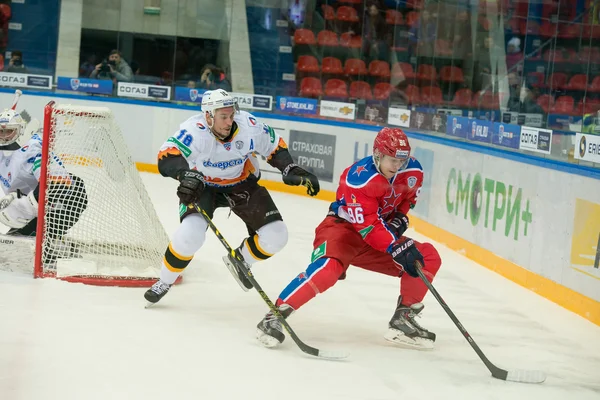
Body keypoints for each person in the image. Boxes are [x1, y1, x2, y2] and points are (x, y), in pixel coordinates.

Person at [255, 127, 442, 350]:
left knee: (428, 256)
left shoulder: (413, 171)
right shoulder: (359, 179)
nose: (397, 166)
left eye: (401, 161)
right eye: (392, 160)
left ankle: (403, 319)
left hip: (379, 234)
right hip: (342, 230)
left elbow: (407, 199)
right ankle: (274, 316)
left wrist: (400, 218)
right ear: (378, 155)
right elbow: (368, 228)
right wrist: (395, 245)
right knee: (329, 269)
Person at [144, 89, 320, 304]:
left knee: (277, 236)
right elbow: (166, 156)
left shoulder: (249, 126)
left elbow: (275, 147)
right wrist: (184, 174)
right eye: (223, 117)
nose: (229, 122)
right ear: (208, 116)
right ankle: (164, 281)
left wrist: (290, 168)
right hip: (203, 186)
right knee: (190, 236)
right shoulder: (194, 130)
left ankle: (241, 260)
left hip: (241, 183)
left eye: (231, 115)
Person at [0, 92, 88, 262]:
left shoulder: (32, 149)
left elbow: (58, 183)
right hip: (21, 197)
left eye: (9, 132)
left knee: (77, 187)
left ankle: (47, 236)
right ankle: (28, 230)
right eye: (0, 132)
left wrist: (24, 206)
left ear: (20, 131)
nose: (3, 137)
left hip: (46, 202)